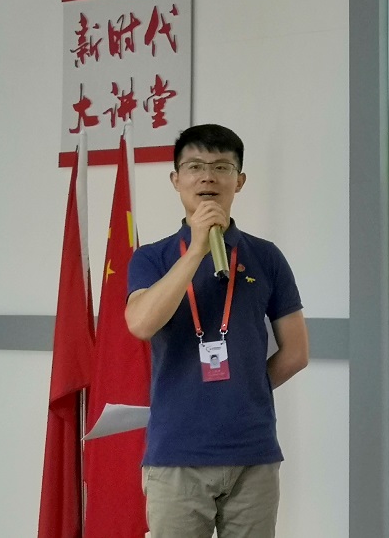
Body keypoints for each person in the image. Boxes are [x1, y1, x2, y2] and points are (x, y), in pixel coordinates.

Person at [125, 124, 309, 538]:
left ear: (239, 181)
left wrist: (243, 388)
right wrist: (196, 250)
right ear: (176, 180)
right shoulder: (152, 257)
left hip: (253, 453)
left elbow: (296, 352)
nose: (207, 177)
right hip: (177, 454)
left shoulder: (266, 257)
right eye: (194, 167)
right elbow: (140, 323)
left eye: (221, 167)